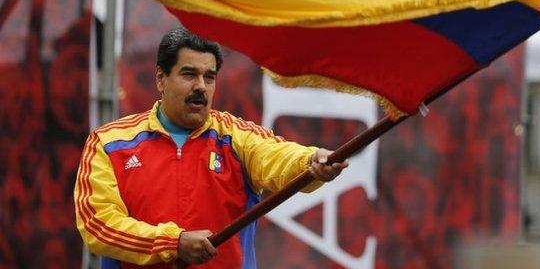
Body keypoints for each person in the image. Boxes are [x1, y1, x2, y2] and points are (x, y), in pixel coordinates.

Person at [74, 27, 348, 269]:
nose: (201, 87)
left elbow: (279, 156)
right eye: (189, 74)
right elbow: (98, 225)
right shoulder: (109, 143)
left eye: (209, 77)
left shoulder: (237, 136)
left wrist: (310, 160)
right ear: (160, 78)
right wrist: (174, 243)